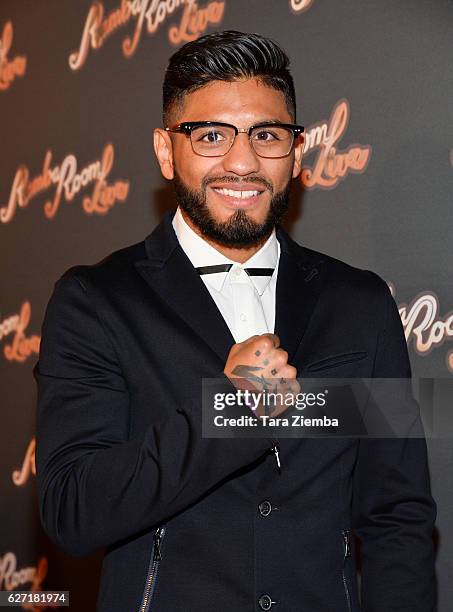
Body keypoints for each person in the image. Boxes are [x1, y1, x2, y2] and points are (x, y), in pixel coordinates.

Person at [34, 30, 436, 612]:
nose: (242, 162)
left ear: (297, 153)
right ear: (166, 150)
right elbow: (73, 509)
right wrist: (226, 409)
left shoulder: (360, 303)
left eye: (267, 136)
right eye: (211, 136)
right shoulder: (96, 301)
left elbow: (396, 515)